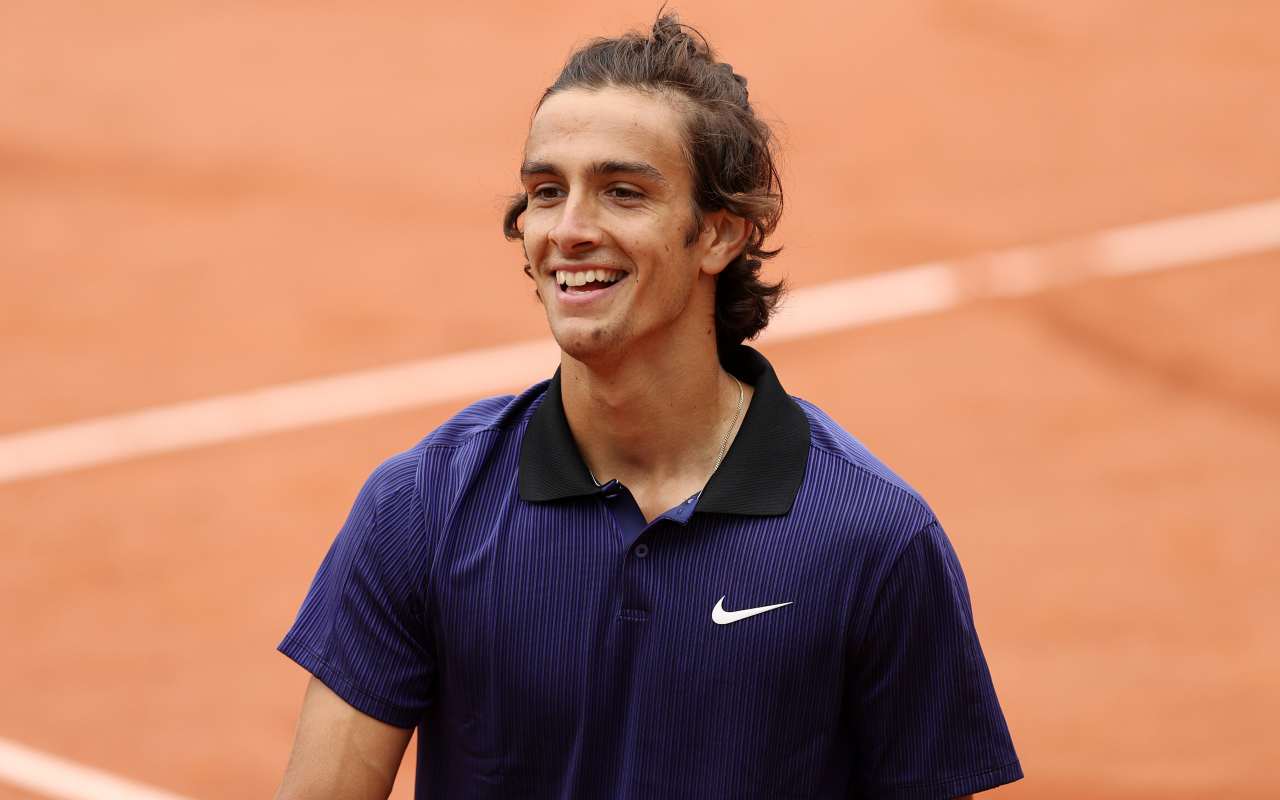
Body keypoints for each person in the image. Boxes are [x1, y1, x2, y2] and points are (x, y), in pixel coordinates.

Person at [274, 13, 1022, 800]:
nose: (569, 231)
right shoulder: (423, 507)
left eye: (622, 193)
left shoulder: (873, 540)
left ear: (720, 236)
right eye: (546, 192)